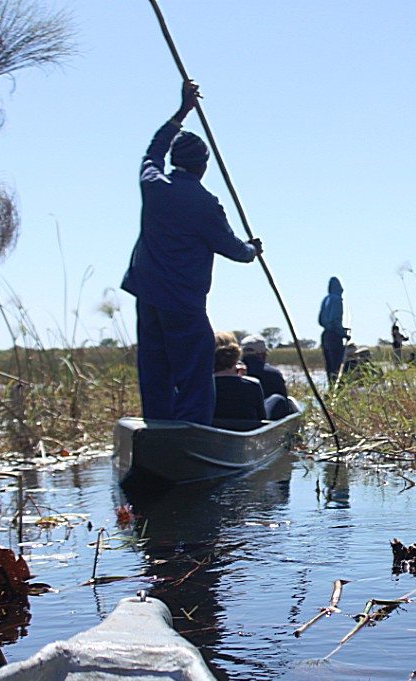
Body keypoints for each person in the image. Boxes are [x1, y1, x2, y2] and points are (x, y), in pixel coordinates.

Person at [121, 80, 262, 425]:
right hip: (183, 301)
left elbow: (152, 150)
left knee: (155, 368)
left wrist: (182, 111)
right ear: (203, 165)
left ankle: (159, 427)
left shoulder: (152, 183)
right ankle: (189, 432)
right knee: (195, 376)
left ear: (175, 161)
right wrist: (252, 249)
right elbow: (233, 249)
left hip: (148, 295)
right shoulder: (204, 203)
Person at [212, 332, 266, 422]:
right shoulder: (252, 385)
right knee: (277, 399)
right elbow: (262, 417)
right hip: (246, 433)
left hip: (209, 434)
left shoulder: (201, 387)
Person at [239, 333, 293, 420]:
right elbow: (284, 403)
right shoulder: (273, 374)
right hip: (259, 420)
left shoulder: (228, 371)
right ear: (264, 355)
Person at [318, 277, 347, 383]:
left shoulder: (326, 299)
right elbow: (335, 320)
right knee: (337, 365)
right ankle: (338, 389)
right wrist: (343, 334)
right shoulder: (337, 300)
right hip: (334, 336)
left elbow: (321, 320)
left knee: (329, 366)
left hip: (325, 336)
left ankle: (331, 387)